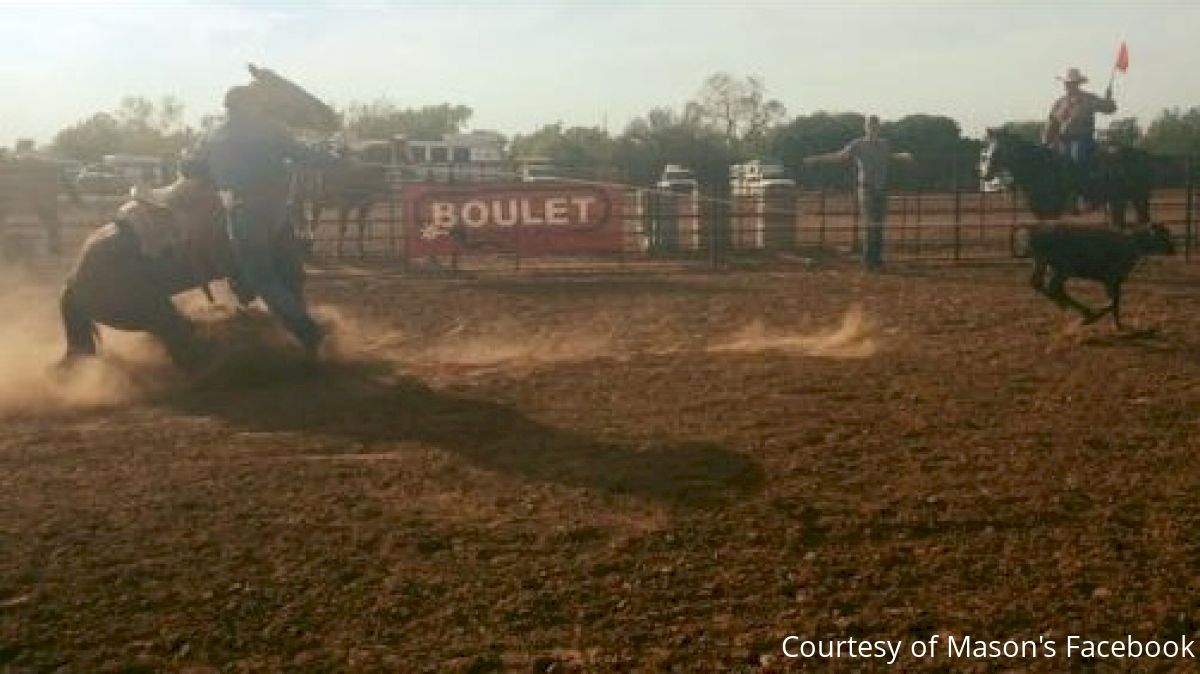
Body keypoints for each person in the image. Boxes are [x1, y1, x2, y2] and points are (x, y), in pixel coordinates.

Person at [193, 85, 330, 356]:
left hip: (245, 211)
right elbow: (304, 154)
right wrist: (336, 160)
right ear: (247, 105)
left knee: (262, 278)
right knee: (290, 271)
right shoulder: (272, 129)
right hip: (277, 210)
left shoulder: (214, 136)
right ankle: (301, 328)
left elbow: (191, 167)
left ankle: (307, 330)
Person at [804, 115, 914, 272]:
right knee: (870, 223)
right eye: (870, 125)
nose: (873, 128)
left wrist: (903, 156)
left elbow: (890, 157)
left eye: (875, 125)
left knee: (879, 224)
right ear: (865, 127)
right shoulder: (858, 144)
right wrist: (818, 159)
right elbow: (839, 156)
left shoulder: (884, 144)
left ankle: (877, 258)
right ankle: (869, 261)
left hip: (881, 188)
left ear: (878, 127)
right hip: (867, 187)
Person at [1042, 67, 1117, 208]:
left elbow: (1109, 109)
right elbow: (1051, 123)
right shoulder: (1059, 103)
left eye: (1072, 83)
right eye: (1067, 83)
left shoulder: (1089, 99)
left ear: (1078, 84)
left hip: (1083, 139)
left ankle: (1083, 194)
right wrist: (1045, 142)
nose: (1068, 85)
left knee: (1077, 158)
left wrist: (1108, 99)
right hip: (1062, 140)